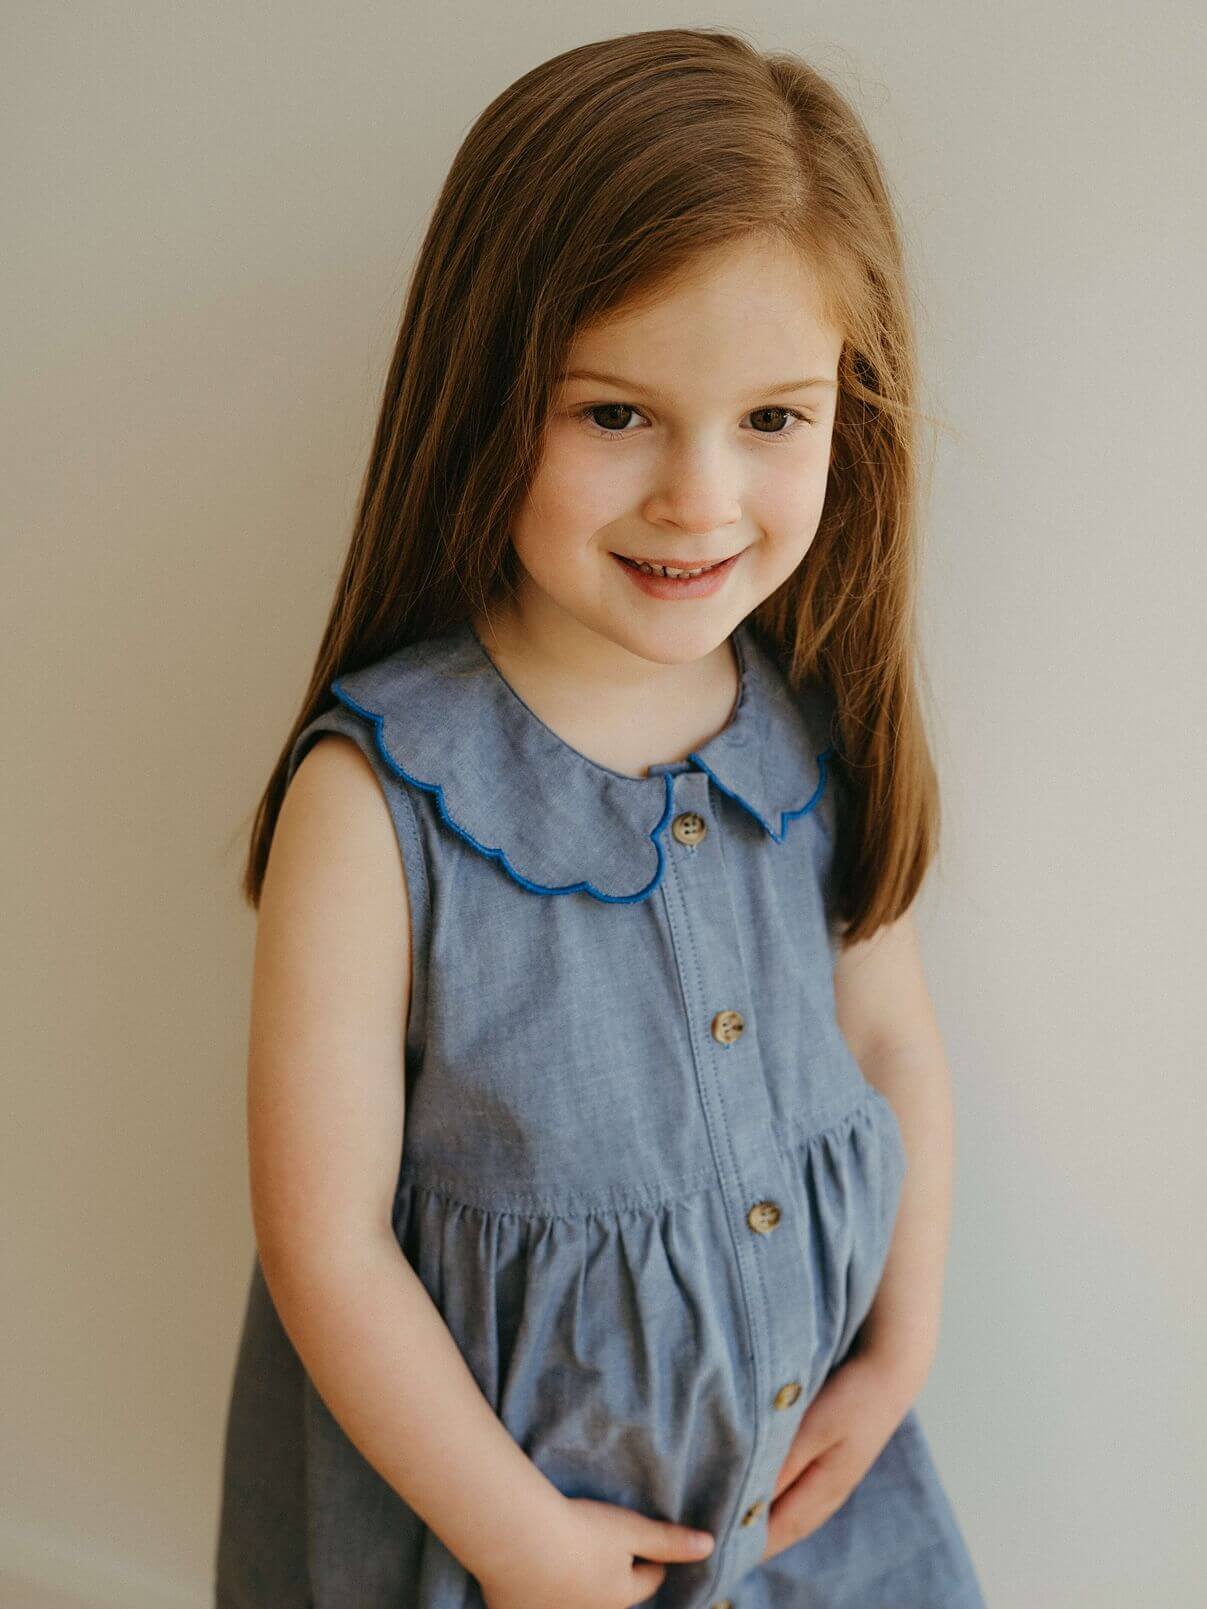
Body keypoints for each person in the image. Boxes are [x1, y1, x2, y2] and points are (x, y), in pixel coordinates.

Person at [214, 25, 987, 1609]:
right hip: (500, 1539)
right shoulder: (373, 801)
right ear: (489, 396)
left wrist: (899, 1348)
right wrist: (515, 1540)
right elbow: (326, 1246)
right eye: (616, 413)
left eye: (774, 420)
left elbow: (895, 1047)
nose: (700, 498)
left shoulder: (815, 721)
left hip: (810, 1496)